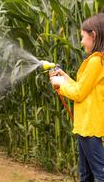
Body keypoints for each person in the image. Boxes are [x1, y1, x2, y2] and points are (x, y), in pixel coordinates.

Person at [50, 13, 104, 181]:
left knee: (100, 174)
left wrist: (60, 84)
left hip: (89, 128)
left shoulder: (96, 61)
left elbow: (79, 94)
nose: (81, 42)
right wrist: (65, 78)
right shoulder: (96, 61)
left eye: (83, 37)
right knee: (85, 175)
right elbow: (83, 89)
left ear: (93, 35)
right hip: (84, 127)